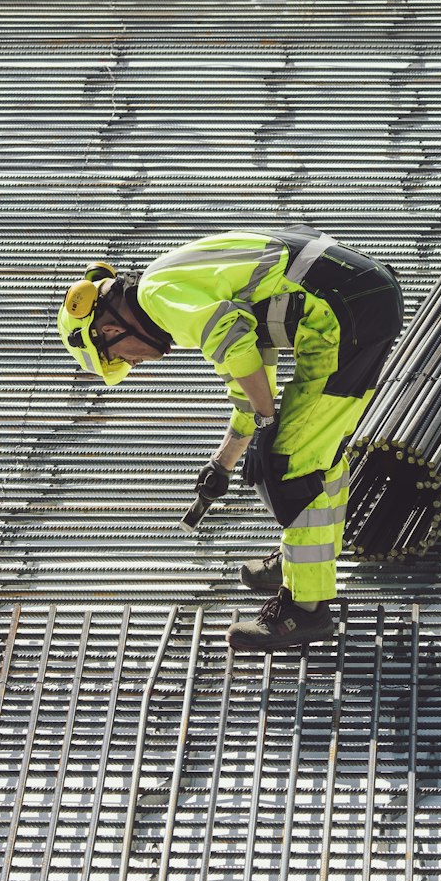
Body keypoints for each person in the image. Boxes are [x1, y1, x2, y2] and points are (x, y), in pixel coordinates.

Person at [56, 227, 403, 651]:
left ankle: (305, 612)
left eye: (122, 357)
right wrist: (223, 463)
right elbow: (252, 373)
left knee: (292, 463)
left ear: (109, 331)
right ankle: (301, 564)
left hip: (345, 312)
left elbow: (236, 349)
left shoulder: (158, 298)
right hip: (356, 303)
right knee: (314, 453)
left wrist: (266, 426)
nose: (134, 361)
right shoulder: (175, 284)